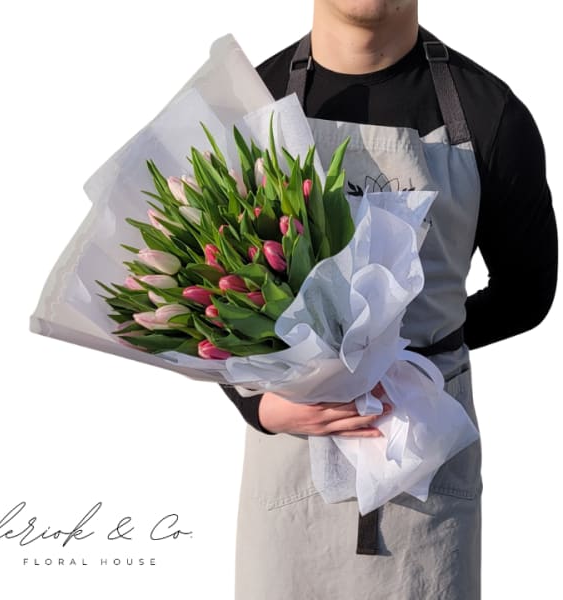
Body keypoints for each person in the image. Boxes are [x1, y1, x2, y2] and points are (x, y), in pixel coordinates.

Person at [220, 1, 558, 598]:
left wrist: (413, 359)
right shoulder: (251, 102)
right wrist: (259, 406)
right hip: (291, 489)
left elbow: (526, 293)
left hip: (425, 496)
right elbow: (209, 294)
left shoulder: (488, 113)